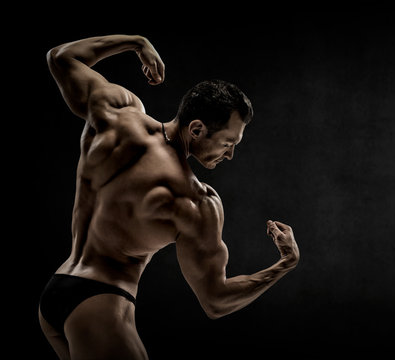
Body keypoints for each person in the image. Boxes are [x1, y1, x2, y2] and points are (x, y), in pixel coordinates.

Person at [39, 34, 300, 360]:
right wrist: (284, 264)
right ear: (197, 129)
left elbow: (61, 58)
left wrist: (136, 42)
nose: (231, 154)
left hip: (57, 291)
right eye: (228, 142)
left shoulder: (118, 113)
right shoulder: (195, 201)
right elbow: (216, 301)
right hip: (102, 305)